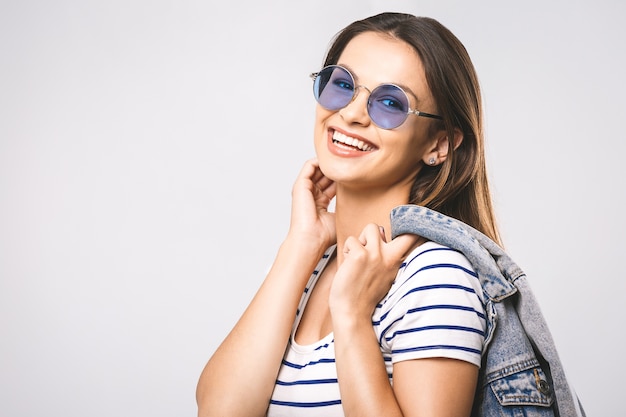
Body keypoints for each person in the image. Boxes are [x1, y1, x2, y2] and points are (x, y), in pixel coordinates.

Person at [197, 12, 502, 417]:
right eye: (342, 85)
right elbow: (219, 411)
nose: (352, 114)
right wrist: (301, 246)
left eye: (391, 103)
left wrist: (353, 317)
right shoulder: (312, 265)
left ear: (439, 144)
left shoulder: (436, 278)